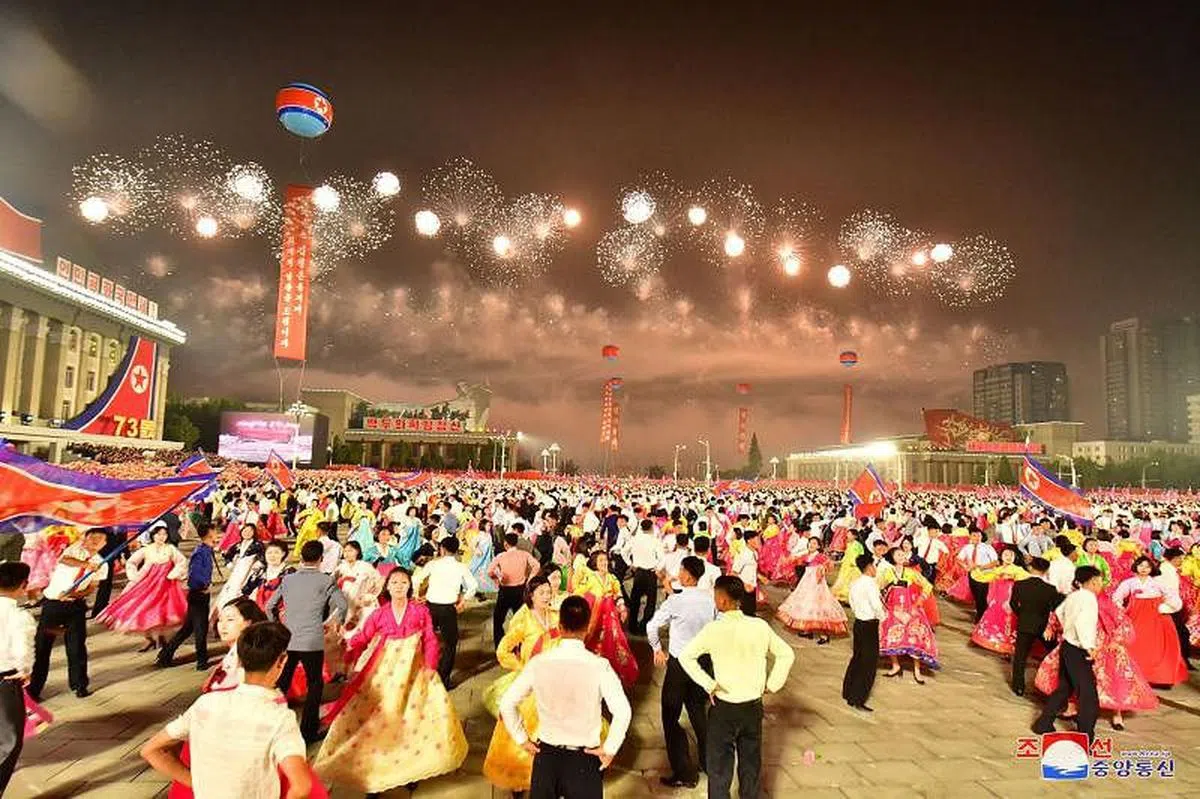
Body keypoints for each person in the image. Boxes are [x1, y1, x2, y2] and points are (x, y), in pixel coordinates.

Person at [315, 568, 467, 795]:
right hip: (386, 671)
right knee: (379, 716)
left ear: (409, 586)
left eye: (403, 582)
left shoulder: (420, 611)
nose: (398, 586)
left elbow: (430, 639)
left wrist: (430, 666)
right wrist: (348, 647)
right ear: (387, 587)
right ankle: (375, 771)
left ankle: (411, 769)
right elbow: (364, 637)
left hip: (414, 672)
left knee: (414, 718)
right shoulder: (380, 614)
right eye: (394, 582)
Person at [140, 622, 313, 799]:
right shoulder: (278, 718)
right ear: (282, 660)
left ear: (238, 659)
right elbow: (301, 785)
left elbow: (151, 750)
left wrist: (197, 783)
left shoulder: (206, 703)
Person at [499, 595, 632, 799]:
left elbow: (507, 703)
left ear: (560, 627)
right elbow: (623, 712)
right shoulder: (600, 666)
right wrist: (610, 747)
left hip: (547, 757)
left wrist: (521, 738)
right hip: (584, 760)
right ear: (587, 628)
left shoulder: (539, 663)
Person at [680, 576, 794, 799]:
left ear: (722, 600)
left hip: (724, 707)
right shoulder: (759, 626)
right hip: (752, 706)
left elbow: (686, 657)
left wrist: (709, 684)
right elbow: (786, 653)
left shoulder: (713, 630)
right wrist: (771, 685)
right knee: (751, 764)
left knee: (720, 768)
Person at [483, 576, 560, 794]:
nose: (547, 596)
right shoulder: (524, 620)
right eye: (541, 592)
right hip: (531, 683)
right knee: (524, 730)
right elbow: (503, 650)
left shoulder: (556, 617)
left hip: (554, 682)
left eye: (548, 591)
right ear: (531, 596)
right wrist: (521, 669)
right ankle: (520, 778)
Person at [267, 540, 348, 744]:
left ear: (301, 557)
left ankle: (270, 721)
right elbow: (343, 605)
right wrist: (335, 622)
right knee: (315, 683)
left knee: (283, 680)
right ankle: (308, 729)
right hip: (312, 638)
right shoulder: (325, 580)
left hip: (288, 637)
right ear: (320, 559)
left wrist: (277, 625)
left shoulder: (288, 580)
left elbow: (270, 606)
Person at [646, 556, 716, 789]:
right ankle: (708, 763)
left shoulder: (676, 601)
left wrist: (657, 649)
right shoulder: (711, 601)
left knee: (671, 714)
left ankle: (685, 772)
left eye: (681, 570)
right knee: (699, 711)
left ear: (686, 575)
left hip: (679, 664)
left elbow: (652, 625)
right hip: (703, 662)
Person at [30, 528, 109, 700]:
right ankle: (34, 688)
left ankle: (79, 685)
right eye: (92, 537)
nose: (95, 541)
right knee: (43, 647)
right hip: (53, 606)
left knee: (76, 647)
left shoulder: (102, 564)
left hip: (75, 608)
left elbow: (90, 588)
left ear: (105, 544)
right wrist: (86, 565)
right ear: (85, 539)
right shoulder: (74, 550)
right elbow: (65, 560)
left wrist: (73, 595)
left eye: (100, 539)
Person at [1033, 566, 1103, 742]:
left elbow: (1059, 611)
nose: (1101, 584)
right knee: (1088, 694)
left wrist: (1067, 628)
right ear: (1093, 581)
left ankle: (1043, 723)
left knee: (1064, 688)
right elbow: (1083, 623)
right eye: (1099, 580)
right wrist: (1089, 646)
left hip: (1068, 645)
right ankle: (1086, 734)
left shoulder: (1074, 596)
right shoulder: (1088, 598)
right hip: (1078, 648)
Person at [96, 521, 188, 652]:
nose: (162, 537)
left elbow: (181, 561)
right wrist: (134, 576)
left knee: (163, 609)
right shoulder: (146, 549)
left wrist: (173, 574)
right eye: (158, 534)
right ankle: (150, 639)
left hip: (166, 583)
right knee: (145, 608)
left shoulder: (170, 549)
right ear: (153, 535)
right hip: (149, 583)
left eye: (164, 534)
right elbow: (132, 562)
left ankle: (161, 638)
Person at [1111, 556, 1188, 686]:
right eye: (1141, 566)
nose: (1143, 569)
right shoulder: (1129, 583)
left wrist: (1166, 607)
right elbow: (1117, 597)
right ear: (1136, 566)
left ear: (1152, 568)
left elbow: (1172, 597)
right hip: (1135, 617)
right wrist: (1121, 610)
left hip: (1157, 617)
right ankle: (1136, 675)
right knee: (1135, 645)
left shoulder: (1158, 583)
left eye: (1147, 566)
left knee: (1158, 647)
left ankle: (1160, 677)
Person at [414, 537, 478, 688]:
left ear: (442, 548)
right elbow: (473, 586)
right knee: (450, 643)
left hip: (430, 606)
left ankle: (421, 672)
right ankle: (443, 679)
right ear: (456, 550)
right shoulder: (461, 567)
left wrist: (417, 594)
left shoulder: (433, 564)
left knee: (425, 639)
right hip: (448, 608)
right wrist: (464, 599)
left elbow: (417, 578)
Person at [157, 523, 219, 671]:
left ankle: (165, 654)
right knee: (200, 629)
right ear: (209, 534)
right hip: (198, 594)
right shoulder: (201, 552)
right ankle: (201, 660)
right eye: (215, 532)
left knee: (188, 628)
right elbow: (195, 574)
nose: (217, 535)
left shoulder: (206, 550)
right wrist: (203, 586)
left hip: (199, 593)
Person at [0, 562, 35, 794]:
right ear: (23, 586)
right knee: (8, 740)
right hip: (5, 681)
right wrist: (26, 671)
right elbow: (23, 651)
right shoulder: (19, 616)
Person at [775, 538, 847, 644]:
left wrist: (822, 568)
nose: (811, 545)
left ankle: (824, 635)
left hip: (817, 585)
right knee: (806, 604)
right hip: (807, 583)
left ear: (818, 546)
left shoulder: (820, 556)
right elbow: (796, 559)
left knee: (819, 607)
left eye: (814, 543)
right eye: (810, 543)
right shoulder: (808, 555)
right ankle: (807, 630)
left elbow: (830, 565)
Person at [1009, 556, 1062, 696]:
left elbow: (1013, 604)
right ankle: (1053, 685)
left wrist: (1022, 615)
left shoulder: (1020, 584)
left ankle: (1018, 686)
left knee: (1020, 656)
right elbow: (1057, 608)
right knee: (1054, 652)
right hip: (1044, 627)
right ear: (1046, 571)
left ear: (1030, 567)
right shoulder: (1050, 589)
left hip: (1025, 623)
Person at [842, 554, 884, 712]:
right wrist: (884, 618)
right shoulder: (870, 584)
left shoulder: (855, 583)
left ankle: (848, 692)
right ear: (869, 567)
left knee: (857, 658)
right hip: (869, 624)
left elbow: (851, 602)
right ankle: (858, 697)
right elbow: (876, 605)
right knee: (869, 663)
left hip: (859, 622)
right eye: (874, 566)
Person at [206, 598, 269, 692]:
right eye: (220, 619)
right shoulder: (237, 652)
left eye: (230, 620)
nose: (223, 626)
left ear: (248, 623)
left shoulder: (248, 658)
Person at [489, 532, 542, 645]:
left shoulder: (501, 556)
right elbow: (536, 565)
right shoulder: (524, 554)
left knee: (498, 620)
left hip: (505, 590)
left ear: (505, 544)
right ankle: (521, 644)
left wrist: (497, 580)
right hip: (521, 590)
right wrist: (529, 580)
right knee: (521, 619)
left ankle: (500, 645)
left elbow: (490, 571)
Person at [625, 519, 664, 635]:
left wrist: (630, 564)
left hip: (639, 572)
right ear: (651, 528)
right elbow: (662, 558)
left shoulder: (634, 540)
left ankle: (632, 626)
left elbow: (623, 551)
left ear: (641, 528)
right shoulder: (655, 541)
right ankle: (643, 627)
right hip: (651, 573)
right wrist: (657, 568)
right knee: (650, 603)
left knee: (635, 601)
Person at [333, 541, 383, 630]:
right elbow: (332, 582)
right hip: (346, 603)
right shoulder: (340, 567)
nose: (347, 554)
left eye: (350, 551)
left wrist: (371, 596)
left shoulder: (365, 566)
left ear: (357, 551)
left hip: (362, 604)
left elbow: (379, 580)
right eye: (345, 551)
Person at [733, 531, 762, 617]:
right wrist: (745, 585)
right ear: (749, 541)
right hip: (744, 588)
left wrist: (760, 577)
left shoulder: (755, 553)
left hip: (752, 586)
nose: (759, 542)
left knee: (751, 609)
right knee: (745, 611)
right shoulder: (743, 554)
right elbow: (734, 572)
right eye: (757, 540)